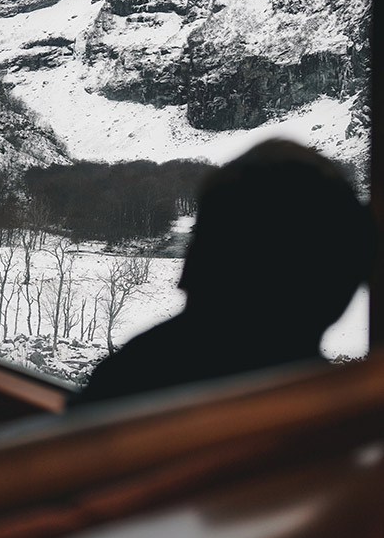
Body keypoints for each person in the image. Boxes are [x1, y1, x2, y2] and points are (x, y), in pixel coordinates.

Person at [71, 139, 376, 406]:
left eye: (201, 237)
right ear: (342, 284)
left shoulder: (131, 377)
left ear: (205, 262)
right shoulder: (346, 410)